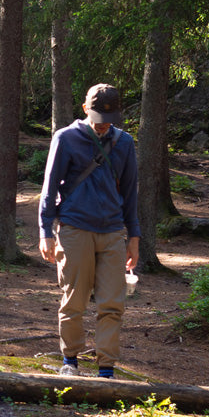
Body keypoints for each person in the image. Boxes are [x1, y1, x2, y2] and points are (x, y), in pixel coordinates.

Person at [38, 84, 140, 379]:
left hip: (111, 233)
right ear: (85, 110)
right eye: (97, 116)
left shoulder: (124, 142)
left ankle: (106, 368)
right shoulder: (66, 138)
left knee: (112, 304)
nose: (103, 123)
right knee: (74, 301)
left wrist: (133, 238)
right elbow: (49, 189)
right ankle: (70, 361)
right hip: (74, 230)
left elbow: (130, 193)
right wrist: (45, 232)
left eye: (108, 117)